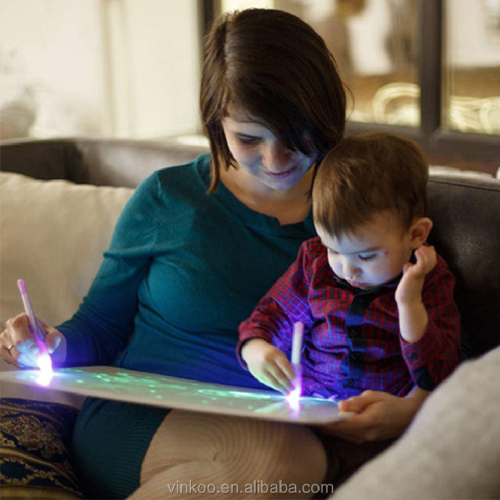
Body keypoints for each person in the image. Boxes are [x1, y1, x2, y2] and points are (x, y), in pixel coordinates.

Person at [0, 9, 446, 500]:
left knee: (293, 457)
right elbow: (101, 328)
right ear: (216, 122)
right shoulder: (169, 198)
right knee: (284, 461)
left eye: (297, 136)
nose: (276, 161)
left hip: (293, 426)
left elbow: (440, 337)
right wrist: (47, 344)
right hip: (146, 416)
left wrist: (414, 410)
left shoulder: (368, 208)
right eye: (249, 138)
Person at [239, 133, 461, 403]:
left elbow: (438, 373)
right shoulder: (316, 263)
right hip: (313, 403)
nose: (347, 269)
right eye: (334, 250)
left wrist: (409, 305)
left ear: (416, 234)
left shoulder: (430, 280)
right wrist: (255, 348)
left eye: (366, 256)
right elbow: (273, 313)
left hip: (389, 414)